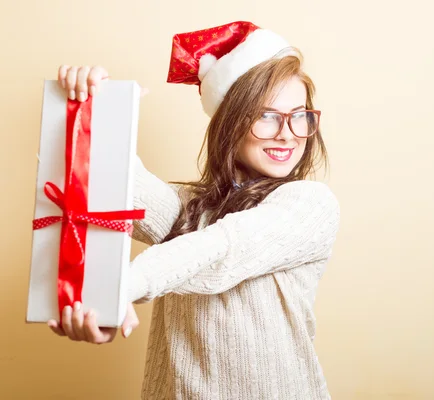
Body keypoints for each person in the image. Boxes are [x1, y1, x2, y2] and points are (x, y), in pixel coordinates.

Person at [47, 21, 340, 399]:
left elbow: (222, 248)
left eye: (299, 115)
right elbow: (112, 182)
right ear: (230, 124)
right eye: (267, 115)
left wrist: (118, 290)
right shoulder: (189, 210)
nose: (287, 133)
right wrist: (88, 101)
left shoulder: (309, 205)